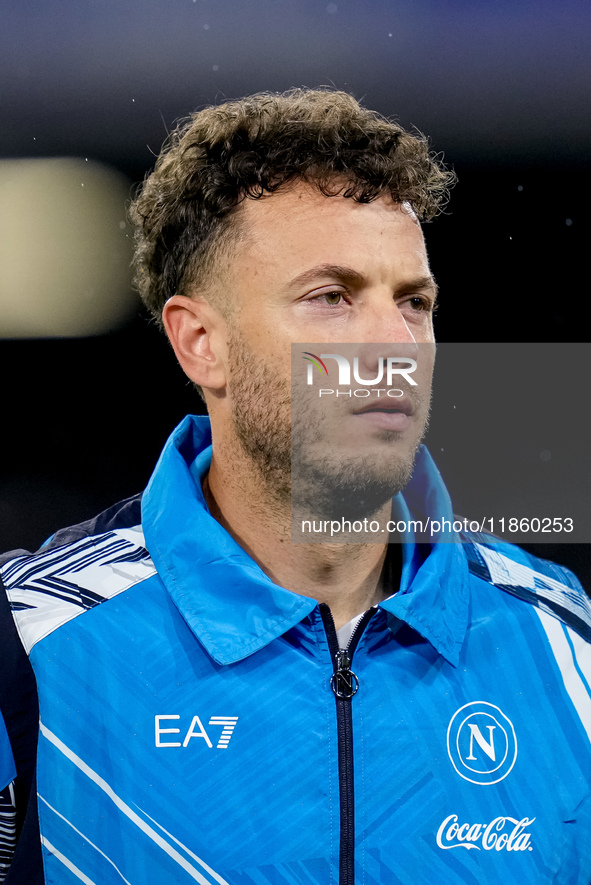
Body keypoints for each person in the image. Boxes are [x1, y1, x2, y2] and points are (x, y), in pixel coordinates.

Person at [1, 88, 590, 885]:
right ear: (199, 343)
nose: (393, 343)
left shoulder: (565, 644)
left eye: (412, 303)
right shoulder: (29, 644)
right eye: (331, 297)